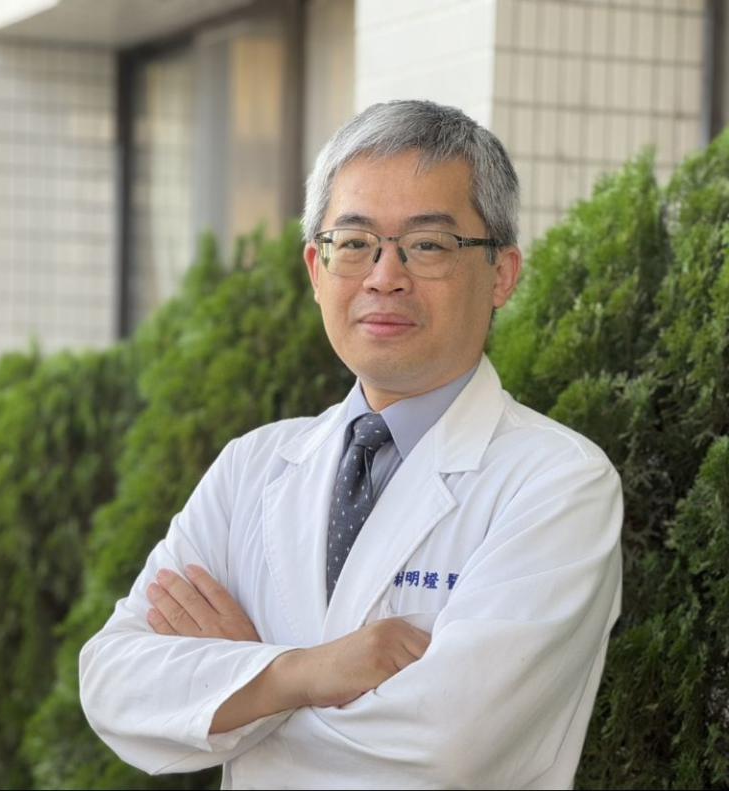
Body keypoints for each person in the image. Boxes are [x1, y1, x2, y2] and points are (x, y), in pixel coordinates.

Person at [79, 99, 622, 790]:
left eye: (429, 244)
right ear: (316, 267)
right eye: (355, 242)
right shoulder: (252, 466)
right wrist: (301, 672)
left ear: (502, 274)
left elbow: (449, 745)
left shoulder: (559, 483)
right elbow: (113, 681)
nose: (384, 276)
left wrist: (238, 692)